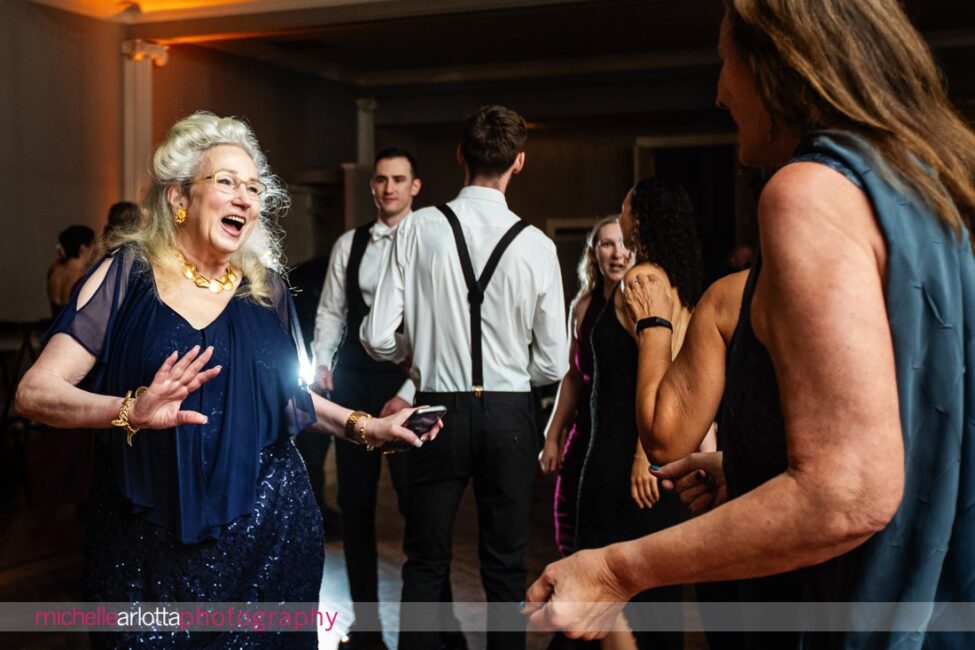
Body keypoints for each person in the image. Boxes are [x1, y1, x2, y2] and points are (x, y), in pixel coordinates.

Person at [524, 1, 975, 648]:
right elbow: (908, 420)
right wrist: (750, 463)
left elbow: (847, 492)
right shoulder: (926, 184)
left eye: (724, 63)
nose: (717, 92)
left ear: (777, 65)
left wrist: (617, 568)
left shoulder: (807, 193)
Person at [15, 112, 438, 649]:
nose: (245, 197)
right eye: (226, 182)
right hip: (146, 546)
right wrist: (129, 409)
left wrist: (363, 425)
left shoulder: (267, 291)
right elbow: (34, 393)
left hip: (270, 535)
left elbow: (286, 397)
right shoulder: (128, 275)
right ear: (178, 198)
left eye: (254, 188)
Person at [362, 105, 569, 650]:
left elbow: (377, 335)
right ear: (518, 162)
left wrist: (420, 353)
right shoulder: (538, 246)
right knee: (504, 568)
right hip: (510, 415)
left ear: (460, 156)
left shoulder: (419, 228)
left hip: (435, 411)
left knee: (425, 560)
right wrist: (508, 375)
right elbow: (553, 363)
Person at [573, 179, 704, 650]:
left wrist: (640, 458)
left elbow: (663, 374)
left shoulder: (642, 280)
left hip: (624, 457)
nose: (620, 212)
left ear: (641, 218)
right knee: (648, 589)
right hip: (651, 454)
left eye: (626, 206)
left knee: (604, 587)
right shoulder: (674, 279)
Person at [309, 147, 427, 650]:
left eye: (398, 179)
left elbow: (439, 326)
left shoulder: (431, 241)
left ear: (415, 186)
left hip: (411, 383)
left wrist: (408, 392)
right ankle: (367, 627)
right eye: (381, 180)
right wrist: (321, 362)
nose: (388, 188)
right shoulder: (349, 244)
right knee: (355, 506)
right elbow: (332, 312)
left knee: (419, 510)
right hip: (355, 381)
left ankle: (429, 631)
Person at [539, 216, 633, 558]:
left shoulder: (648, 304)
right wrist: (552, 437)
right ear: (594, 253)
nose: (617, 253)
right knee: (572, 524)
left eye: (624, 243)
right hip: (586, 431)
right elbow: (573, 376)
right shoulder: (581, 307)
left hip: (629, 432)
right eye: (607, 244)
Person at [47, 224, 95, 316]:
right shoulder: (82, 279)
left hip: (54, 328)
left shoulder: (54, 270)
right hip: (75, 329)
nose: (96, 248)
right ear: (83, 249)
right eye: (93, 244)